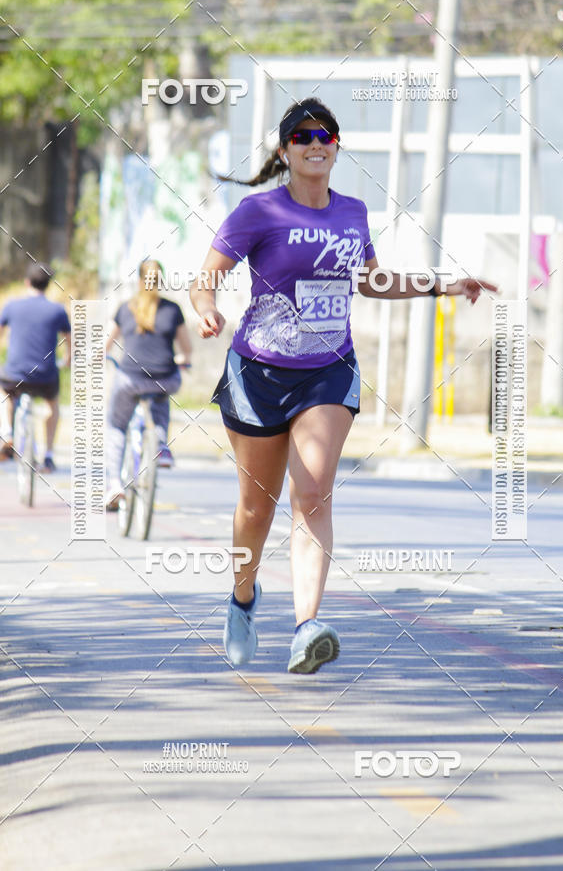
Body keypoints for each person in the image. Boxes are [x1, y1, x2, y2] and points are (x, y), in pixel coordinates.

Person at [190, 97, 497, 674]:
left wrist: (444, 284)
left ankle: (307, 626)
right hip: (257, 372)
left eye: (324, 135)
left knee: (313, 493)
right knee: (256, 509)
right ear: (285, 151)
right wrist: (206, 310)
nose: (314, 144)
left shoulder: (353, 212)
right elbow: (205, 277)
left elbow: (373, 281)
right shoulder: (258, 212)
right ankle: (243, 596)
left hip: (329, 370)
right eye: (302, 136)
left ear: (337, 147)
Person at [105, 259, 192, 509]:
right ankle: (162, 446)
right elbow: (187, 350)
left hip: (130, 378)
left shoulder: (125, 308)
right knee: (161, 397)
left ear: (139, 281)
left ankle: (113, 485)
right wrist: (181, 360)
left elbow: (106, 346)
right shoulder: (173, 310)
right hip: (165, 378)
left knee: (117, 426)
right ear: (161, 281)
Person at [0, 261, 71, 471]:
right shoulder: (57, 310)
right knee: (52, 406)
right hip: (45, 376)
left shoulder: (12, 306)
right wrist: (67, 360)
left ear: (26, 282)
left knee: (5, 392)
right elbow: (69, 340)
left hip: (15, 373)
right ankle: (48, 455)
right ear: (48, 284)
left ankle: (7, 432)